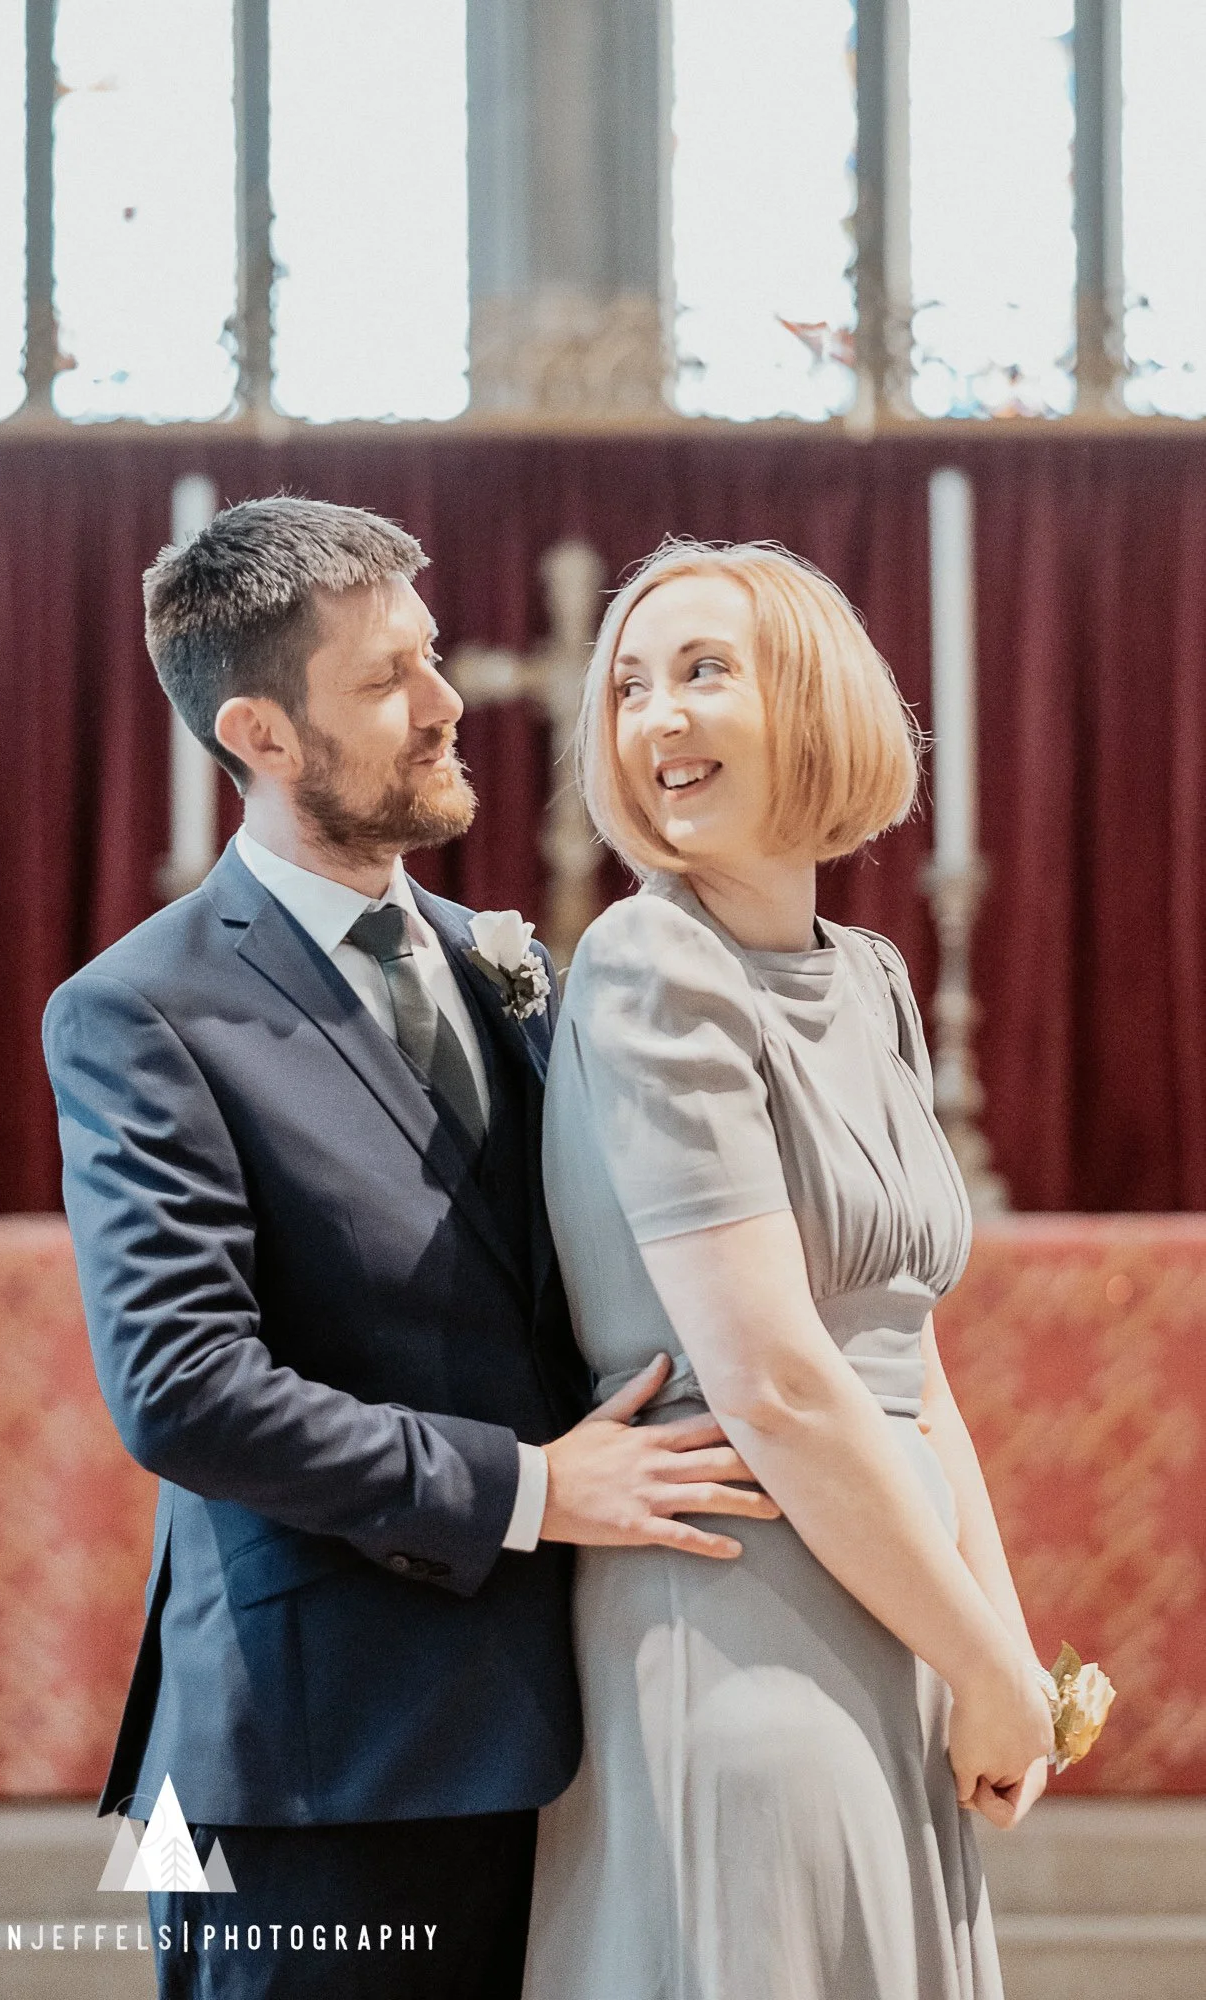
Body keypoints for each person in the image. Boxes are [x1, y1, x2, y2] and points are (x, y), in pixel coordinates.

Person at [42, 497, 773, 2000]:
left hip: (562, 1729)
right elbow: (183, 1389)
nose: (447, 702)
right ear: (261, 734)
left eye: (431, 655)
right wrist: (531, 1489)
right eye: (388, 680)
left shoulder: (501, 963)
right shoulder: (140, 1011)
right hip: (313, 1765)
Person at [523, 540, 1054, 2000]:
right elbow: (776, 1381)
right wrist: (987, 1665)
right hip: (739, 1608)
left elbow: (910, 1365)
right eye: (630, 686)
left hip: (897, 1609)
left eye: (704, 672)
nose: (657, 717)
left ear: (815, 702)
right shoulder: (652, 962)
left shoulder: (873, 978)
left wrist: (995, 1651)